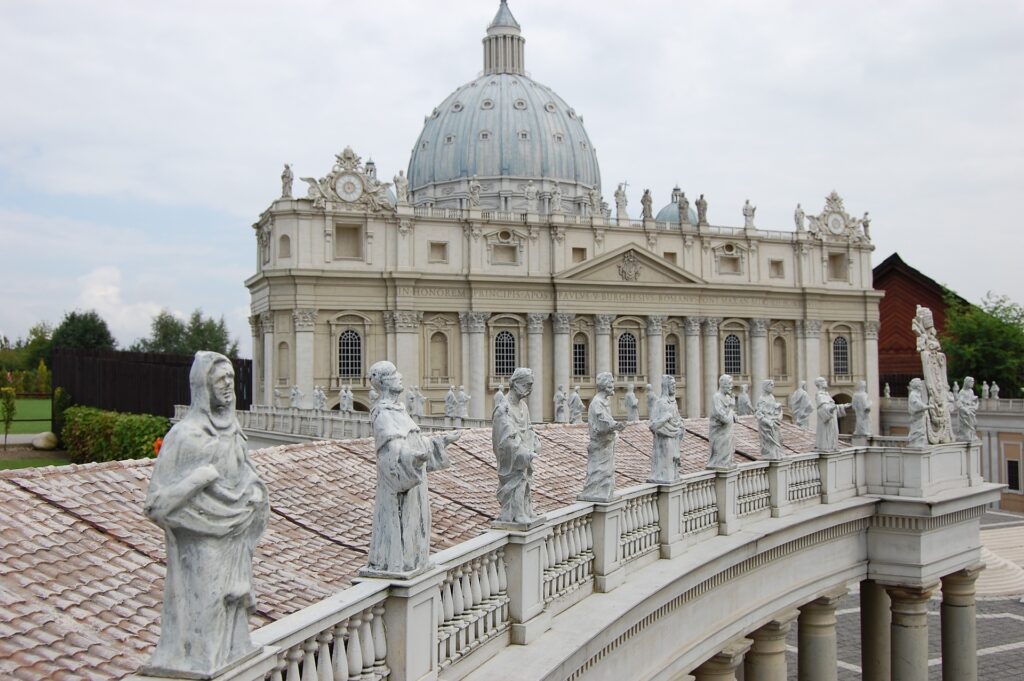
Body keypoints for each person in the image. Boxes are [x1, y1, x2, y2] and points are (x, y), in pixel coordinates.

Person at [143, 352, 269, 677]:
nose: (228, 385)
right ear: (203, 386)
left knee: (232, 604)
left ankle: (227, 656)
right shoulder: (184, 436)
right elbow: (156, 504)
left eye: (230, 378)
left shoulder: (232, 432)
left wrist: (254, 493)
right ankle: (203, 665)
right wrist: (199, 479)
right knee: (205, 611)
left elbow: (249, 475)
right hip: (200, 543)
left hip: (234, 538)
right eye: (219, 379)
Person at [365, 361, 461, 575]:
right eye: (394, 374)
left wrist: (440, 441)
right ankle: (401, 562)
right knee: (403, 528)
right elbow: (391, 451)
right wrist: (413, 457)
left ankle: (414, 560)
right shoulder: (382, 414)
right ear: (385, 381)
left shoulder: (399, 410)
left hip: (414, 484)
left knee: (416, 526)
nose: (400, 376)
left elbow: (414, 442)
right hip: (400, 486)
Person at [491, 368, 540, 524]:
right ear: (515, 383)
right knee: (517, 479)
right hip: (511, 456)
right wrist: (520, 451)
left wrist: (535, 441)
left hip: (525, 452)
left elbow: (529, 428)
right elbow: (505, 436)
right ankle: (516, 512)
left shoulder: (523, 406)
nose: (530, 390)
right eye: (527, 385)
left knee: (526, 479)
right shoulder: (503, 408)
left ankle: (525, 508)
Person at [580, 372, 626, 500]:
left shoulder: (603, 402)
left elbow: (606, 422)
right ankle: (596, 493)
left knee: (606, 473)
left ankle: (603, 492)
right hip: (599, 446)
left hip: (605, 446)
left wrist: (615, 426)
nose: (613, 385)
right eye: (611, 382)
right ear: (605, 385)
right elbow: (602, 423)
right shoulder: (597, 402)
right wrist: (615, 425)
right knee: (598, 473)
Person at [649, 375, 683, 482]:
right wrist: (665, 418)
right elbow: (653, 425)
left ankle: (672, 476)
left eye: (674, 384)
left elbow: (678, 419)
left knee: (673, 463)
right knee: (666, 463)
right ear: (665, 387)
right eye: (671, 385)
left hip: (674, 438)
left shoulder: (673, 402)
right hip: (665, 440)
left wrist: (680, 424)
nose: (674, 387)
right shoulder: (660, 403)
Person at [707, 374, 738, 468]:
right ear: (722, 384)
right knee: (720, 454)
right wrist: (731, 408)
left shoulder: (728, 397)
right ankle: (721, 462)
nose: (731, 386)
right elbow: (723, 418)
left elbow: (731, 416)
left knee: (728, 450)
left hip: (728, 433)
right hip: (719, 433)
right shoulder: (716, 397)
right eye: (729, 383)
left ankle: (727, 462)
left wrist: (733, 414)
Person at [814, 377, 849, 452]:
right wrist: (833, 408)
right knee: (827, 434)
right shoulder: (819, 395)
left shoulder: (827, 395)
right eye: (824, 381)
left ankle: (832, 446)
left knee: (834, 432)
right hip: (827, 420)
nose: (826, 382)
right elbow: (823, 408)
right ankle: (826, 446)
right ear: (820, 384)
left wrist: (844, 406)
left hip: (832, 420)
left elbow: (832, 407)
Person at [755, 379, 784, 460]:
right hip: (767, 426)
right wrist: (768, 422)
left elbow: (774, 408)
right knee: (771, 443)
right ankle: (771, 454)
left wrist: (779, 411)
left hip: (774, 423)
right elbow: (759, 414)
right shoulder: (762, 399)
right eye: (771, 385)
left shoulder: (771, 397)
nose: (773, 387)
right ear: (766, 386)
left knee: (780, 439)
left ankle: (777, 453)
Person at [907, 378, 929, 447]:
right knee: (917, 431)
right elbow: (918, 406)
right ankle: (916, 443)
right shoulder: (913, 395)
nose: (921, 386)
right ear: (917, 386)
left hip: (920, 417)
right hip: (916, 418)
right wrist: (928, 407)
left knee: (921, 430)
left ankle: (919, 442)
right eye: (920, 385)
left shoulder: (917, 394)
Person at [956, 376, 979, 442]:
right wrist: (964, 409)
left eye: (973, 382)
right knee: (968, 416)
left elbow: (972, 400)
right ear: (967, 382)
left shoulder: (971, 391)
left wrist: (975, 400)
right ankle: (967, 434)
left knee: (975, 423)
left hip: (971, 409)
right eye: (971, 382)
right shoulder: (962, 392)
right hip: (965, 411)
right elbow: (959, 403)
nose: (973, 383)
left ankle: (972, 433)